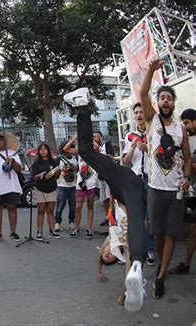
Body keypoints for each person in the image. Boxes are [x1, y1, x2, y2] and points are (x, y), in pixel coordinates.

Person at [64, 86, 148, 312]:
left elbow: (82, 150)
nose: (108, 252)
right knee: (136, 232)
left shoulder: (112, 236)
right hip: (128, 188)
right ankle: (138, 272)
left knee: (84, 151)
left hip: (124, 185)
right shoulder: (117, 240)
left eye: (105, 255)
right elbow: (125, 254)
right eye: (111, 256)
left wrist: (101, 267)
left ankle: (82, 105)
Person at [140, 58, 192, 299]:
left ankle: (160, 276)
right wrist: (151, 69)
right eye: (162, 98)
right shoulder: (152, 121)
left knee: (171, 234)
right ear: (158, 102)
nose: (166, 101)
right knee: (158, 233)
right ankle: (163, 263)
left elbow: (188, 158)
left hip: (176, 191)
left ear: (173, 103)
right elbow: (142, 92)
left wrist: (187, 178)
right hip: (155, 189)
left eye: (169, 98)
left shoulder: (180, 129)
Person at [122, 103, 155, 266]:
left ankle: (150, 249)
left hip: (151, 178)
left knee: (149, 216)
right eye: (136, 112)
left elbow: (159, 157)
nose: (139, 115)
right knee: (136, 215)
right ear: (133, 116)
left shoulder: (153, 133)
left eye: (142, 112)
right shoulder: (129, 136)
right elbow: (126, 162)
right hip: (135, 179)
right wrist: (133, 148)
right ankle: (134, 249)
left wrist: (147, 148)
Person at [169, 108, 196, 274]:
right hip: (193, 191)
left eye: (186, 122)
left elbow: (188, 164)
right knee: (193, 229)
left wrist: (187, 167)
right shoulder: (188, 140)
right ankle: (186, 264)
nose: (184, 127)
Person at [63, 134, 99, 238]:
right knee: (78, 207)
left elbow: (96, 146)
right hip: (80, 183)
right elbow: (66, 149)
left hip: (91, 182)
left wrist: (88, 137)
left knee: (90, 205)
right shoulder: (80, 152)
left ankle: (89, 228)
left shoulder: (94, 152)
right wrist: (75, 138)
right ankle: (76, 228)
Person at [31, 142, 61, 241]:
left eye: (45, 149)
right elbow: (33, 177)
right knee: (41, 211)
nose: (43, 151)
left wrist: (57, 173)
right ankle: (39, 231)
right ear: (39, 152)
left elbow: (57, 176)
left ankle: (52, 230)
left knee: (51, 211)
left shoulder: (54, 162)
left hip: (52, 188)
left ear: (48, 151)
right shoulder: (36, 163)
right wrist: (39, 176)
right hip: (40, 189)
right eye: (41, 149)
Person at [54, 140, 78, 232]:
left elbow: (79, 170)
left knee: (73, 205)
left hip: (73, 185)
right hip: (62, 185)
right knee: (60, 205)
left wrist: (75, 168)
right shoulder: (59, 159)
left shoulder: (75, 158)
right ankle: (57, 222)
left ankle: (72, 221)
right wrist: (61, 169)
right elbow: (55, 173)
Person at [94, 130, 114, 227]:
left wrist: (102, 156)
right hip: (100, 176)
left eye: (95, 137)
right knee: (104, 199)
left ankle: (111, 217)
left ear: (100, 137)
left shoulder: (107, 145)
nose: (93, 139)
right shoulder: (95, 148)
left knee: (110, 198)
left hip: (108, 176)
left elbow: (111, 157)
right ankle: (107, 217)